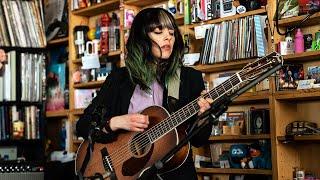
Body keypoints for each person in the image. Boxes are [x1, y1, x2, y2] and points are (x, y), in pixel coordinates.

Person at [76, 8, 213, 179]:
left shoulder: (189, 78)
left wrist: (203, 116)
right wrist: (115, 123)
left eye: (171, 32)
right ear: (141, 38)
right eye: (158, 31)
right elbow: (82, 125)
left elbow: (200, 140)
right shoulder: (119, 79)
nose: (168, 37)